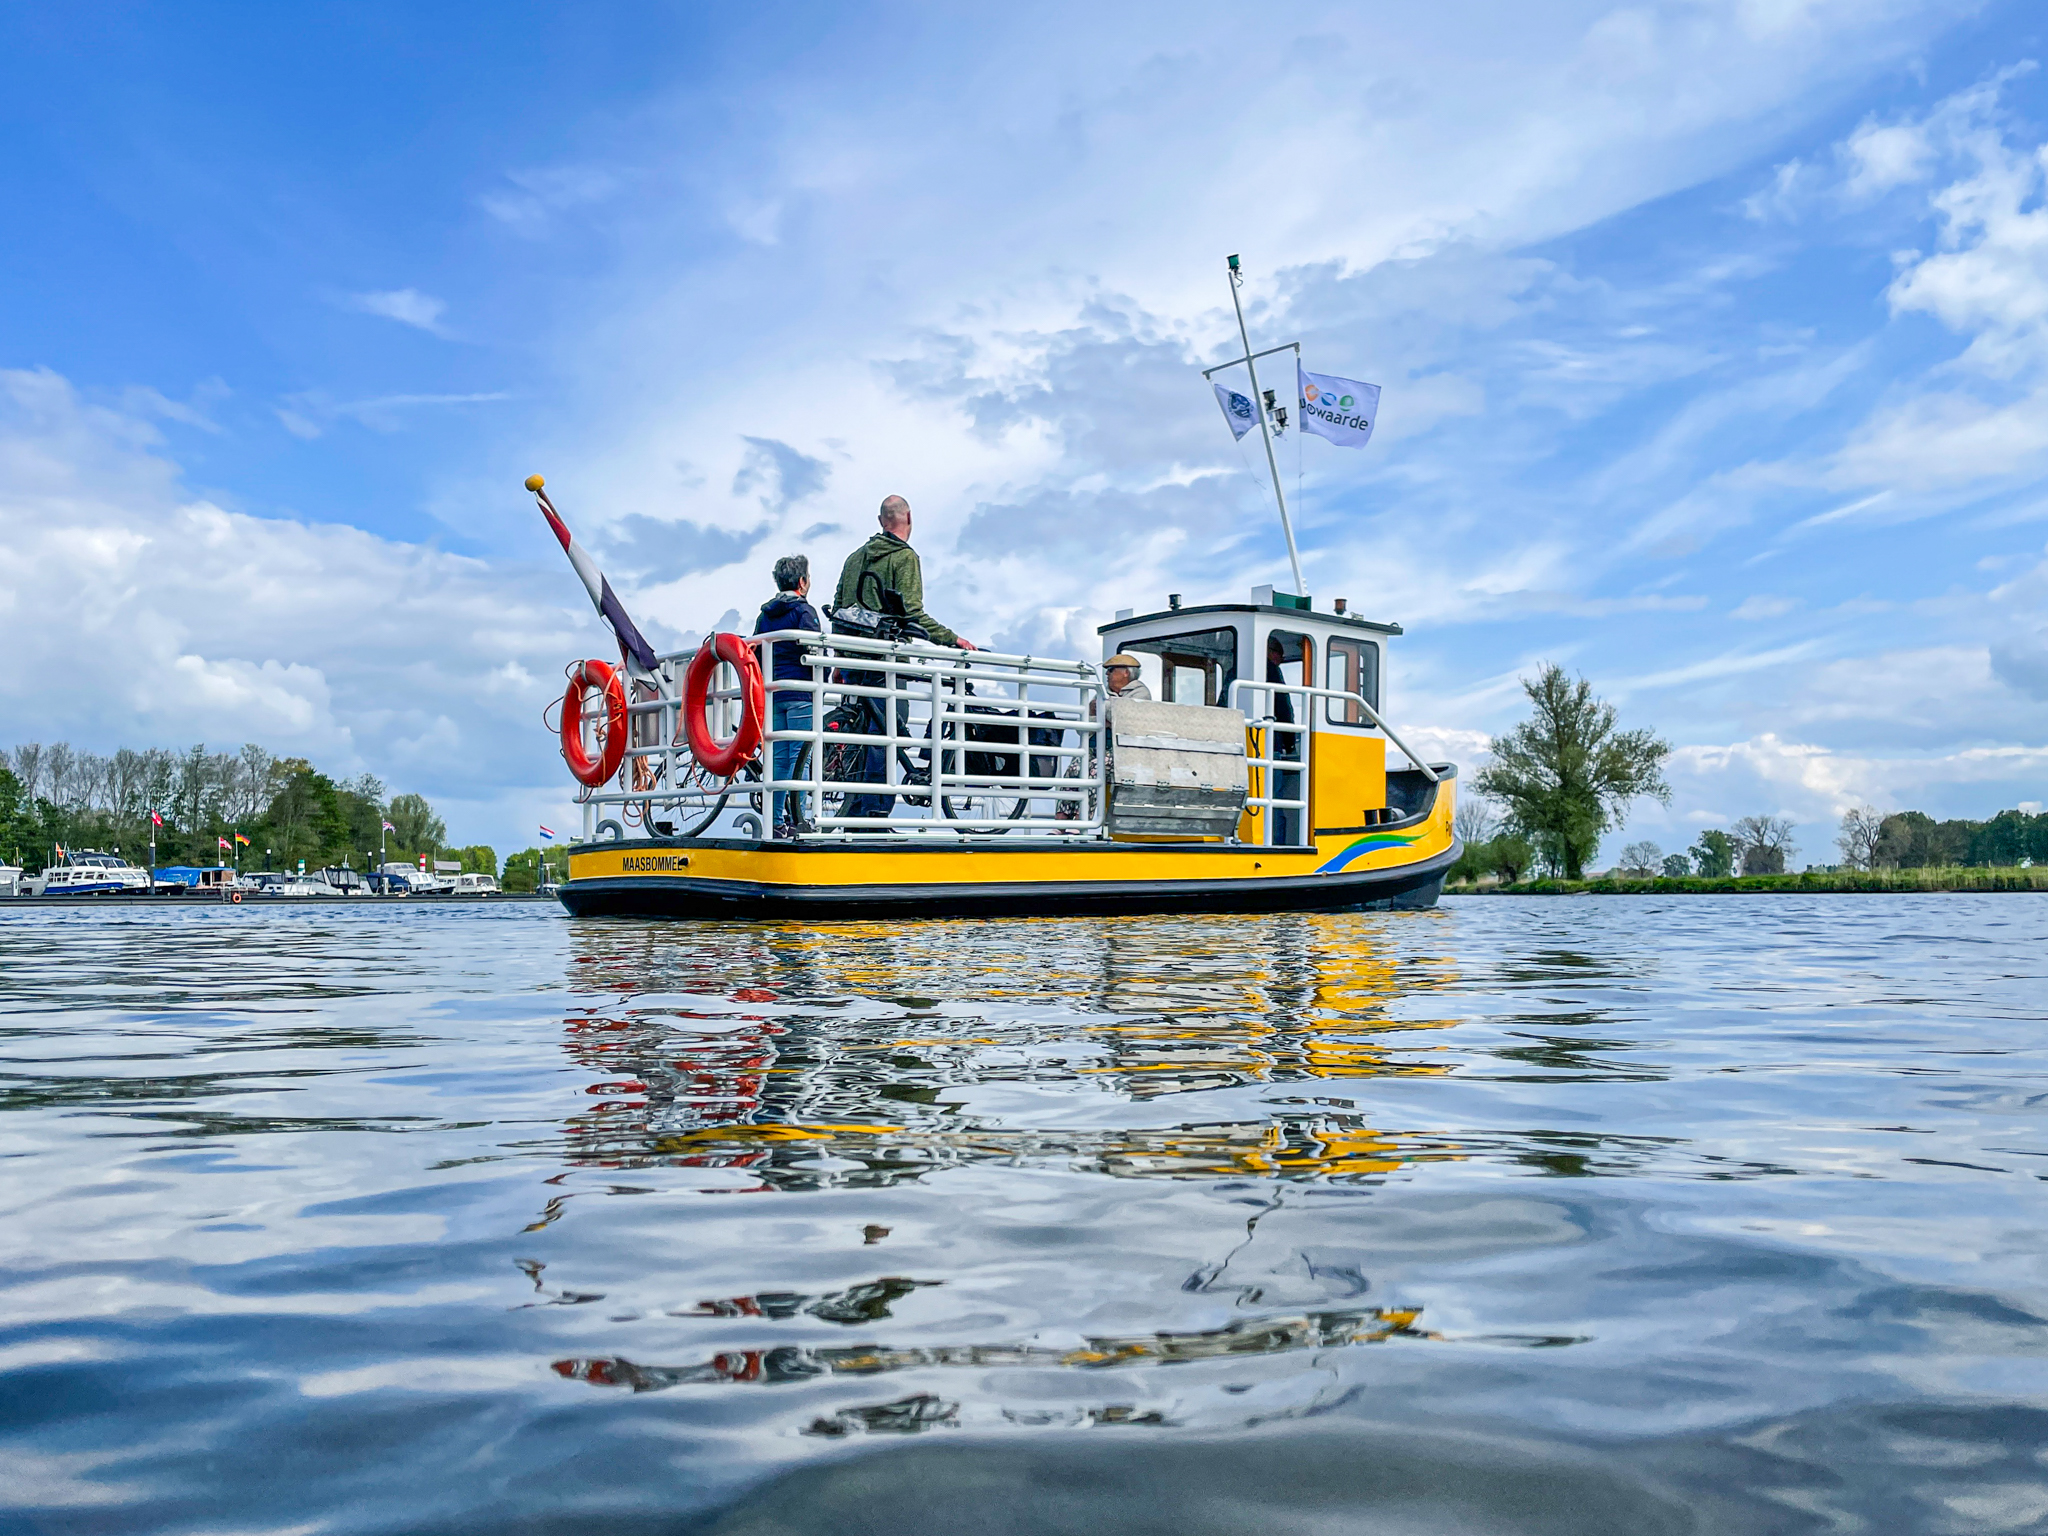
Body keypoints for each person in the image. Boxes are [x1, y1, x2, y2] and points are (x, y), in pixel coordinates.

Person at [831, 496, 976, 825]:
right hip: (885, 659)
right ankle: (875, 814)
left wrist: (840, 655)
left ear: (880, 519)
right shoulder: (904, 557)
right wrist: (952, 638)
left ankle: (852, 809)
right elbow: (913, 612)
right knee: (888, 733)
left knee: (858, 735)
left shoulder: (854, 558)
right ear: (908, 517)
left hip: (852, 658)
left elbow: (839, 602)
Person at [754, 554, 821, 834]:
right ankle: (798, 819)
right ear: (802, 582)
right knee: (800, 757)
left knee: (779, 758)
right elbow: (814, 652)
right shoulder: (804, 613)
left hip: (774, 694)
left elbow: (755, 653)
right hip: (801, 693)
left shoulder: (764, 616)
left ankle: (775, 821)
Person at [1266, 635, 1302, 846]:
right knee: (1273, 798)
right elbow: (1282, 705)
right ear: (1272, 653)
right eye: (1280, 657)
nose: (1280, 661)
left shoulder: (1233, 672)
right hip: (1271, 741)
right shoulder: (1271, 670)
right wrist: (1290, 741)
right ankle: (1275, 844)